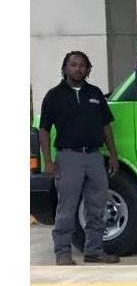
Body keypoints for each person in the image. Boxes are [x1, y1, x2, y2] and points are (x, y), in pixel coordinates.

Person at [39, 51, 121, 265]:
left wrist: (113, 155)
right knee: (67, 207)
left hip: (94, 157)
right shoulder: (54, 95)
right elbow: (44, 130)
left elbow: (106, 126)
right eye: (73, 64)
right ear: (65, 68)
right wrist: (48, 160)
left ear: (88, 69)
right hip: (68, 158)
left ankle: (94, 250)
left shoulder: (95, 93)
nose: (78, 69)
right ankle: (62, 252)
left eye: (83, 65)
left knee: (98, 206)